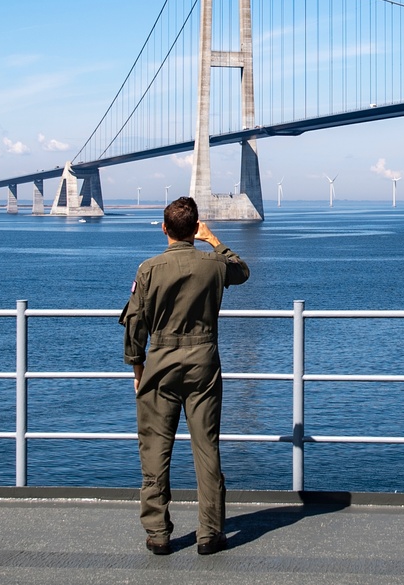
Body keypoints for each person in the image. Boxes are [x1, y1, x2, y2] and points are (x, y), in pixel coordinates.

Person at [119, 196, 250, 556]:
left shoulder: (148, 269)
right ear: (195, 228)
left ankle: (158, 532)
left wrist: (137, 367)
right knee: (206, 448)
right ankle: (210, 533)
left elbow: (135, 323)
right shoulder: (214, 265)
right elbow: (242, 270)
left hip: (159, 364)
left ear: (164, 229)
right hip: (204, 363)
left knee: (155, 449)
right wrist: (214, 241)